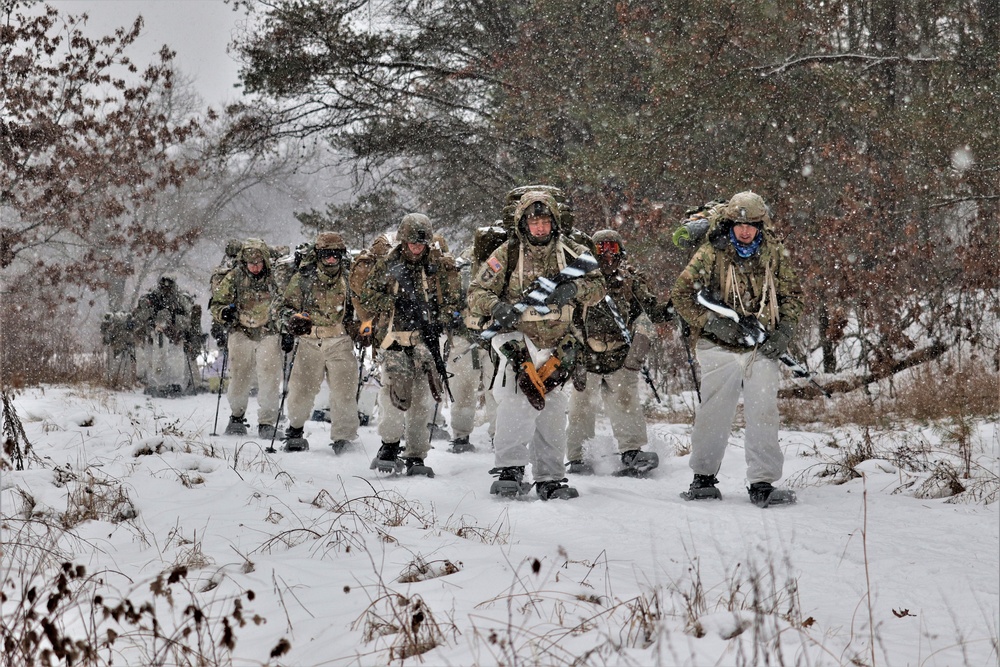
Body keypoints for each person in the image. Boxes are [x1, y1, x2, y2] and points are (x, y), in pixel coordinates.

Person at [467, 189, 605, 500]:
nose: (539, 228)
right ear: (523, 224)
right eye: (533, 222)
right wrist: (495, 307)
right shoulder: (506, 254)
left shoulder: (573, 252)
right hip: (519, 338)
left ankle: (551, 476)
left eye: (544, 221)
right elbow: (476, 291)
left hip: (559, 342)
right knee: (517, 400)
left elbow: (599, 286)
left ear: (554, 222)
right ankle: (510, 469)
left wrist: (574, 289)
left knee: (553, 410)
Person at [671, 191, 803, 507]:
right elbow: (681, 295)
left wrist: (782, 333)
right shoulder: (711, 252)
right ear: (730, 223)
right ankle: (703, 478)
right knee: (714, 411)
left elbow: (793, 297)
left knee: (763, 411)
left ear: (760, 225)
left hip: (761, 345)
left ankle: (762, 482)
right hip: (717, 346)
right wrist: (715, 324)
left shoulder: (775, 253)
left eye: (751, 225)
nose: (745, 231)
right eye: (739, 224)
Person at [355, 213, 462, 477]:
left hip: (425, 340)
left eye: (421, 243)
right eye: (412, 242)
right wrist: (394, 302)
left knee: (422, 400)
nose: (417, 247)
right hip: (393, 338)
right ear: (403, 240)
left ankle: (416, 453)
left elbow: (452, 301)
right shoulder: (389, 263)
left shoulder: (437, 266)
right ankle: (389, 445)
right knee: (394, 394)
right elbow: (368, 294)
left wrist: (440, 319)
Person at [565, 229, 673, 476]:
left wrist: (670, 309)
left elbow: (649, 310)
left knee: (626, 403)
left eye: (612, 249)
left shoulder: (630, 280)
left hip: (619, 355)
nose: (607, 255)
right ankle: (577, 456)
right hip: (586, 354)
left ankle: (632, 451)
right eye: (601, 248)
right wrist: (573, 356)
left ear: (620, 251)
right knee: (580, 407)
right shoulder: (581, 279)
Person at [280, 231, 361, 452]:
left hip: (340, 339)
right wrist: (292, 321)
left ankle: (343, 437)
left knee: (345, 391)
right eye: (326, 255)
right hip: (309, 340)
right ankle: (295, 429)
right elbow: (284, 307)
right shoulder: (304, 277)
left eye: (336, 255)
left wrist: (363, 327)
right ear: (318, 254)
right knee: (301, 389)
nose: (331, 260)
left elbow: (363, 306)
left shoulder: (350, 277)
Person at [209, 238, 283, 438]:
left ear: (265, 261)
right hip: (241, 330)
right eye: (251, 264)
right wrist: (224, 313)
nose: (255, 267)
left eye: (258, 263)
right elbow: (217, 303)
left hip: (268, 331)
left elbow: (286, 302)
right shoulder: (234, 277)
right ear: (244, 263)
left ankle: (267, 422)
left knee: (269, 376)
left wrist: (285, 329)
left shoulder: (274, 277)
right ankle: (236, 416)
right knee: (240, 376)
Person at [132, 276, 202, 397]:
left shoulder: (179, 300)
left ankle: (175, 384)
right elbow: (142, 318)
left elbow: (188, 319)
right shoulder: (153, 299)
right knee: (158, 360)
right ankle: (161, 385)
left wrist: (175, 322)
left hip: (175, 335)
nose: (166, 289)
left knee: (176, 362)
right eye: (164, 286)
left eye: (168, 286)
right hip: (158, 334)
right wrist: (154, 322)